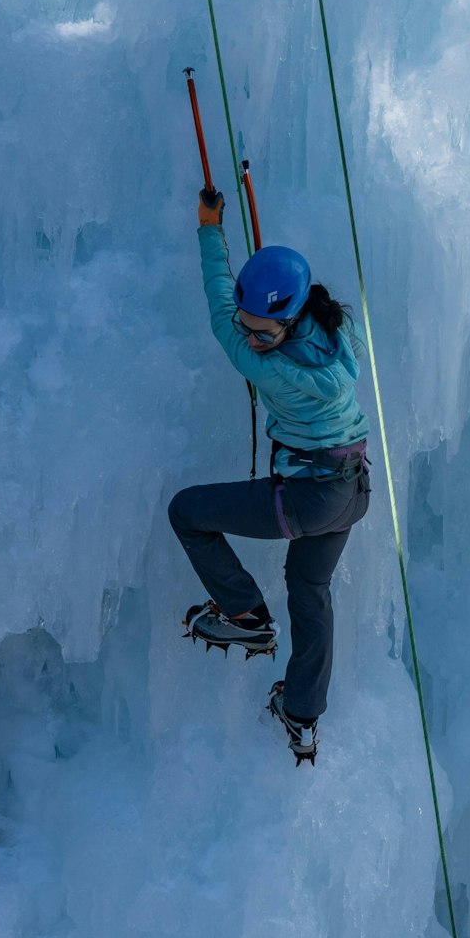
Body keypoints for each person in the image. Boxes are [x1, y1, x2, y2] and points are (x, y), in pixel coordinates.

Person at [168, 188, 371, 765]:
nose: (250, 337)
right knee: (309, 591)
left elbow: (217, 303)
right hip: (351, 491)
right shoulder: (336, 333)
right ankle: (302, 714)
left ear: (287, 322)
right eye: (247, 326)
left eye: (261, 331)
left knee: (187, 512)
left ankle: (245, 616)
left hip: (309, 496)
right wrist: (265, 305)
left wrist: (210, 228)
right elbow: (243, 308)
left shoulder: (268, 365)